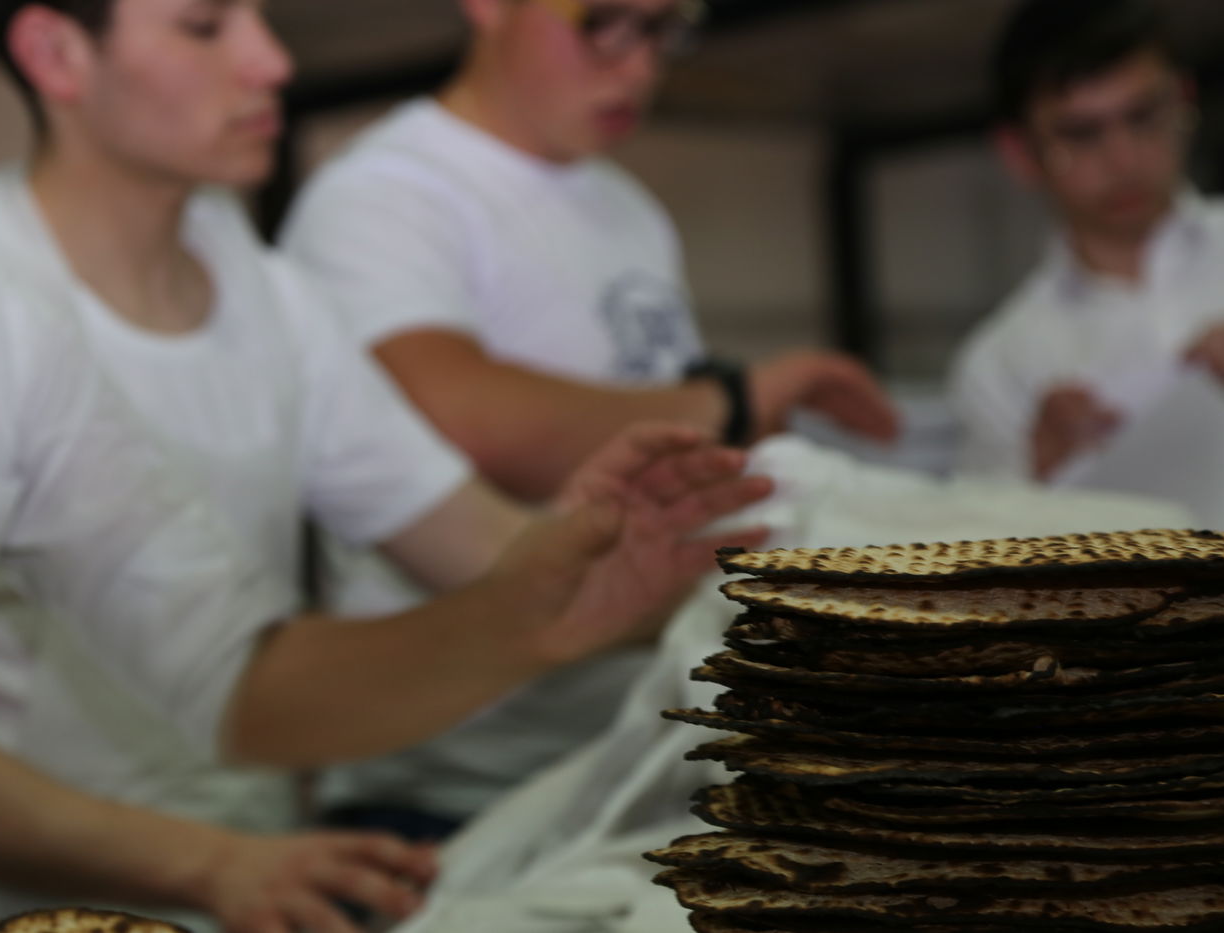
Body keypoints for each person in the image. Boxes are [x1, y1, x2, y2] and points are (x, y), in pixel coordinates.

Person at [0, 1, 766, 930]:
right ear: (55, 53)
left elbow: (236, 670)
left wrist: (563, 592)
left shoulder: (28, 326)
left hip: (249, 873)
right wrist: (210, 864)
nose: (270, 63)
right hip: (47, 894)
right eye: (205, 27)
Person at [276, 0, 900, 830]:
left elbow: (667, 437)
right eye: (602, 23)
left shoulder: (628, 208)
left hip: (627, 763)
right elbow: (449, 416)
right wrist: (736, 400)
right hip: (447, 790)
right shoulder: (383, 195)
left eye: (662, 29)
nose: (638, 66)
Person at [950, 0, 1224, 528]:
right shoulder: (999, 366)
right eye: (1081, 133)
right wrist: (1035, 474)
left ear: (1184, 100)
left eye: (1143, 116)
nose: (1123, 159)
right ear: (1020, 152)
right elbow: (979, 567)